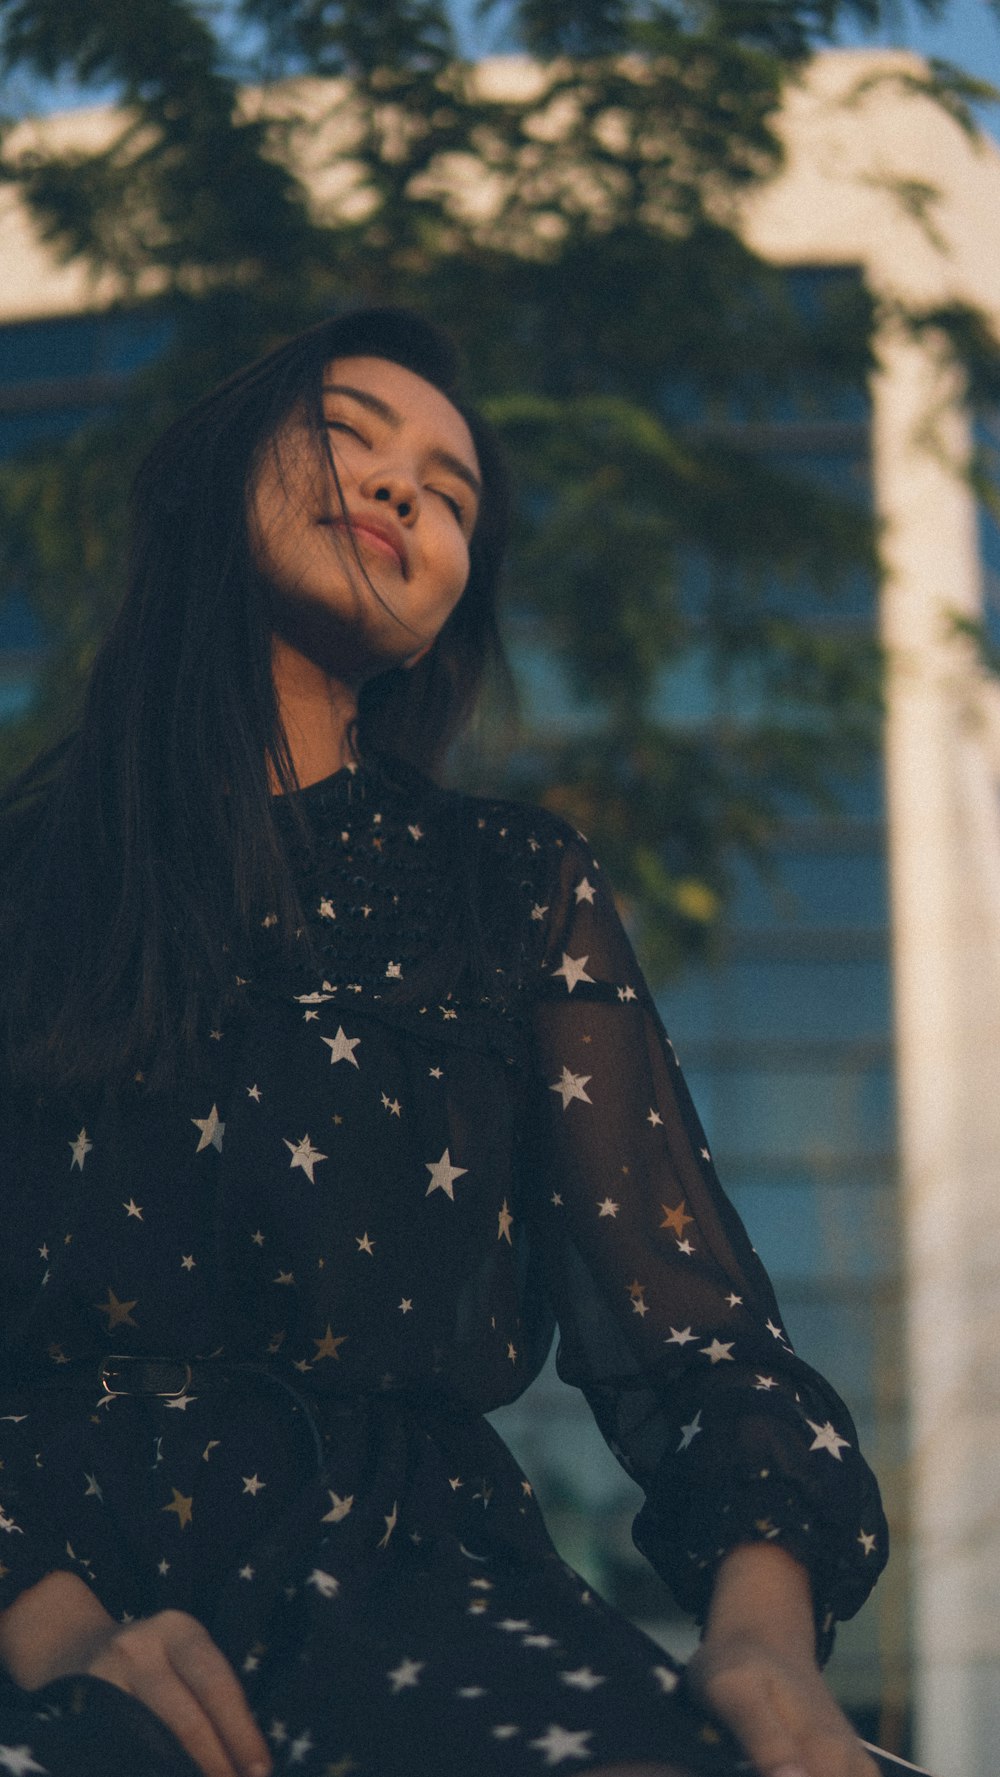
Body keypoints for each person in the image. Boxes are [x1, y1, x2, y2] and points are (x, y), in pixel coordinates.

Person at [0, 306, 890, 1777]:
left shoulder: (512, 886)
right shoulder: (28, 885)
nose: (407, 486)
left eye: (454, 492)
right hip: (53, 1583)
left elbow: (700, 1343)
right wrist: (46, 1621)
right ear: (221, 473)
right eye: (350, 434)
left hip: (419, 1594)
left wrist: (759, 1637)